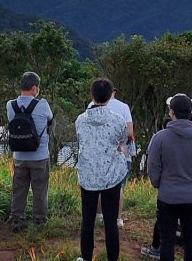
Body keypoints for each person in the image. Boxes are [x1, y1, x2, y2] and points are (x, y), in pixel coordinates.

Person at [146, 94, 192, 261]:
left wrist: (159, 184)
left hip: (167, 196)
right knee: (190, 242)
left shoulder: (160, 137)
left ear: (171, 112)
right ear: (191, 113)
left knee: (167, 242)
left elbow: (152, 168)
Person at [75, 78, 129, 261]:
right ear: (110, 96)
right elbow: (122, 140)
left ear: (92, 95)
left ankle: (86, 257)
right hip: (111, 176)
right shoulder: (118, 120)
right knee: (111, 222)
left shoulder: (80, 120)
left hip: (88, 176)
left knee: (87, 221)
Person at [6, 71, 53, 232]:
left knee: (19, 189)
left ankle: (17, 219)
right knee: (40, 189)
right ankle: (39, 221)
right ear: (34, 88)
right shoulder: (42, 104)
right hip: (39, 155)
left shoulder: (10, 105)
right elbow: (49, 119)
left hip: (19, 155)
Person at [90, 89, 134, 228]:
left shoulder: (91, 105)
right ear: (113, 92)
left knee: (98, 184)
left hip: (98, 153)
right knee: (118, 186)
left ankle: (98, 215)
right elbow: (129, 132)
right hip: (119, 153)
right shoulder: (123, 107)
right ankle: (117, 218)